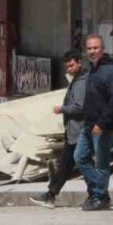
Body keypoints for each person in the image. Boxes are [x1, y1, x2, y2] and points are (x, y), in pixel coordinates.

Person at [30, 51, 86, 208]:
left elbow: (79, 107)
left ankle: (98, 195)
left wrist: (62, 109)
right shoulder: (77, 80)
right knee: (66, 165)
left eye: (72, 65)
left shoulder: (81, 82)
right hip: (74, 132)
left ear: (79, 62)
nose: (69, 69)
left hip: (79, 131)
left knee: (81, 165)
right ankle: (50, 195)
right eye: (67, 67)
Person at [75, 35, 113, 211]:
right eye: (89, 48)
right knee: (80, 157)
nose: (92, 51)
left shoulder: (112, 71)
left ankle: (100, 197)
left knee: (101, 163)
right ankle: (98, 192)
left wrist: (101, 124)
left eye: (95, 48)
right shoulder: (92, 70)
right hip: (88, 124)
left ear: (102, 49)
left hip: (102, 126)